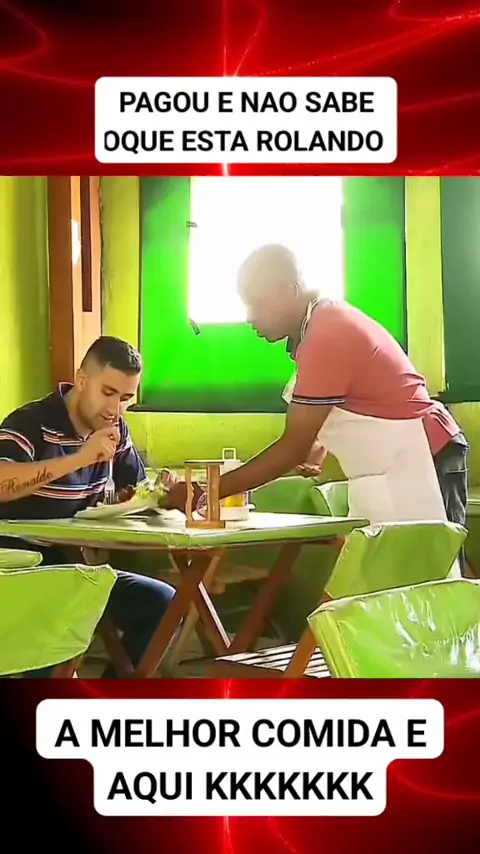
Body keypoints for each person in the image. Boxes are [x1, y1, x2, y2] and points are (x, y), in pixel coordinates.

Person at [165, 244, 468, 565]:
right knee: (387, 582)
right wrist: (318, 445)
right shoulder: (317, 325)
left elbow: (291, 449)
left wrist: (206, 492)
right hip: (389, 470)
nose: (250, 317)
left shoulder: (327, 331)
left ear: (291, 290)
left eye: (257, 303)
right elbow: (350, 401)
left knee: (435, 577)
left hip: (424, 458)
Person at [0, 336, 175, 677]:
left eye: (125, 399)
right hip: (16, 572)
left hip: (74, 570)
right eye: (108, 393)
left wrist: (166, 493)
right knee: (51, 628)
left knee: (162, 602)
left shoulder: (114, 429)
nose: (114, 409)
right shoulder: (30, 423)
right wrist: (80, 458)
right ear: (81, 380)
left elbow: (138, 489)